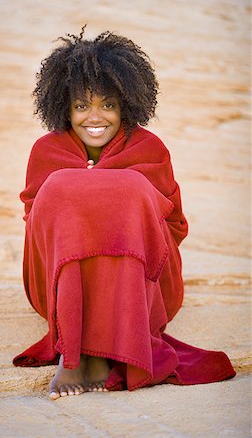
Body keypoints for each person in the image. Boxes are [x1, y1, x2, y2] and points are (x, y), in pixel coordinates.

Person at [13, 26, 236, 400]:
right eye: (82, 106)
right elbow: (38, 233)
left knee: (129, 190)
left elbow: (175, 228)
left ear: (126, 106)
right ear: (65, 109)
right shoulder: (45, 152)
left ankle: (107, 350)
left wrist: (117, 205)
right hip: (60, 277)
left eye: (108, 104)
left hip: (144, 282)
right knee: (60, 189)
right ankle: (76, 355)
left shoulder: (149, 149)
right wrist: (83, 197)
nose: (94, 117)